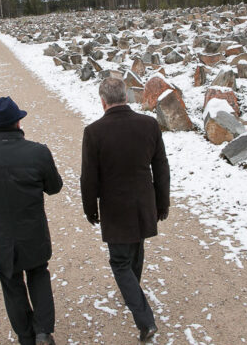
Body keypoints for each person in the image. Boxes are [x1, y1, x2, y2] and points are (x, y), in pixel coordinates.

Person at [0, 96, 63, 345]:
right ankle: (43, 332)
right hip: (33, 231)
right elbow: (55, 187)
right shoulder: (38, 152)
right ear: (18, 122)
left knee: (11, 282)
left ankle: (26, 337)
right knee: (38, 274)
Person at [80, 77, 171, 343]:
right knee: (136, 248)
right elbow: (162, 168)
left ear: (103, 101)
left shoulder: (94, 132)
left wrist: (90, 207)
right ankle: (133, 292)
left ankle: (145, 321)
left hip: (115, 206)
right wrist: (162, 202)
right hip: (144, 202)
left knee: (120, 262)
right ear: (127, 97)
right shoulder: (149, 124)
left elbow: (89, 177)